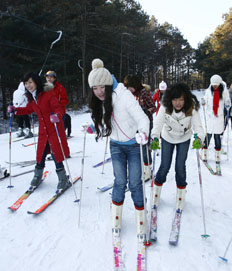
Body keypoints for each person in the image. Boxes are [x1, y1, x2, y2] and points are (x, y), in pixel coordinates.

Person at [87, 58, 149, 238]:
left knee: (136, 183)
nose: (99, 92)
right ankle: (116, 218)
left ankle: (140, 220)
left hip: (134, 145)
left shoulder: (124, 95)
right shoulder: (99, 100)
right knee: (120, 181)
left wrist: (144, 133)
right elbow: (107, 123)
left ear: (107, 84)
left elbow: (142, 118)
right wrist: (93, 128)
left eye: (101, 87)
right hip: (116, 145)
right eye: (94, 88)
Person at [150, 83, 206, 221]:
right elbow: (157, 124)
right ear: (170, 100)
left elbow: (199, 127)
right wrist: (155, 137)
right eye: (175, 100)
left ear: (185, 98)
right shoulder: (165, 107)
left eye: (181, 99)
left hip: (184, 138)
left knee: (180, 167)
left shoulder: (191, 108)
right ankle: (155, 196)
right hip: (168, 137)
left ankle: (180, 198)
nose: (178, 103)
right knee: (164, 166)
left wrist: (199, 137)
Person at [8, 72, 70, 190]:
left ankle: (63, 178)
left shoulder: (47, 94)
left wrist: (57, 115)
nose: (28, 85)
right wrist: (15, 110)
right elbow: (28, 109)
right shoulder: (33, 98)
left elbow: (58, 107)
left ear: (36, 82)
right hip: (43, 131)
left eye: (30, 82)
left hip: (54, 128)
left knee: (55, 153)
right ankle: (38, 175)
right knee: (40, 154)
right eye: (26, 83)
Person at [123, 74, 156, 181]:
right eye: (127, 87)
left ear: (135, 85)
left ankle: (148, 170)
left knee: (144, 147)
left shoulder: (143, 93)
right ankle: (136, 170)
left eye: (130, 87)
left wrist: (146, 111)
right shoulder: (130, 95)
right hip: (135, 124)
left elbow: (153, 107)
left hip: (146, 123)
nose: (129, 89)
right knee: (134, 148)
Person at [200, 74, 231, 166]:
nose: (215, 86)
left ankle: (217, 155)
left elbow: (227, 101)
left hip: (219, 117)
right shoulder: (209, 91)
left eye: (216, 85)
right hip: (210, 116)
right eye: (213, 85)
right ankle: (204, 153)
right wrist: (203, 101)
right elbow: (205, 98)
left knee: (217, 137)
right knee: (208, 136)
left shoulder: (224, 91)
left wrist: (228, 104)